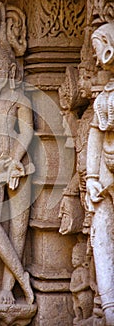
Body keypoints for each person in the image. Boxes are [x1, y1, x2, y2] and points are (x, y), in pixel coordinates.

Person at [0, 1, 35, 304]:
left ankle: (6, 287)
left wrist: (15, 158)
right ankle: (21, 275)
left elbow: (26, 131)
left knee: (17, 231)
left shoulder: (17, 96)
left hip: (16, 167)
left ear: (11, 70)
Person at [86, 21, 114, 325]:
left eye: (98, 50)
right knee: (101, 235)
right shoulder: (105, 94)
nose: (97, 59)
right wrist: (92, 177)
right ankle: (109, 307)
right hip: (106, 173)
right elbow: (95, 132)